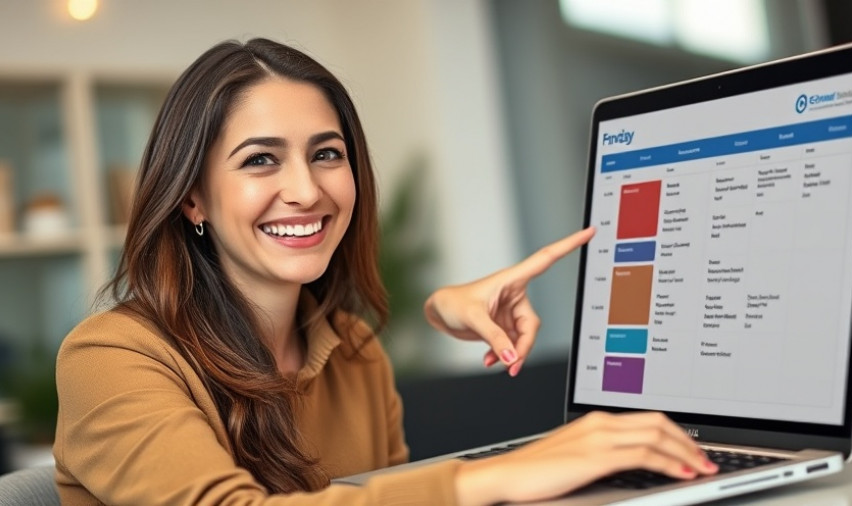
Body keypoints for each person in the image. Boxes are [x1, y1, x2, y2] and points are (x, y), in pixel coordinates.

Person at [53, 38, 717, 505]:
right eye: (261, 160)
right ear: (192, 196)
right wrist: (499, 476)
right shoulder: (111, 356)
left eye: (327, 154)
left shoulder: (355, 352)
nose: (306, 190)